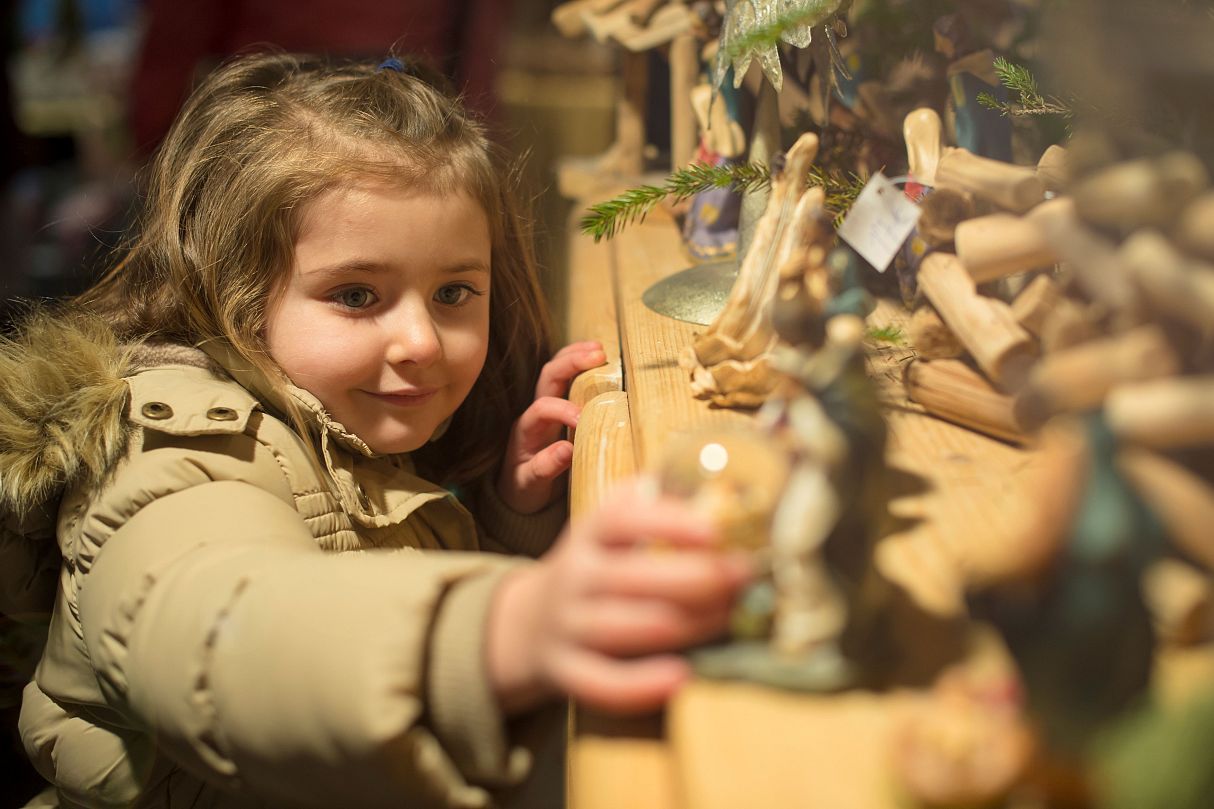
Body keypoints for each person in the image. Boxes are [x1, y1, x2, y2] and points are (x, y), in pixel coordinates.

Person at [0, 52, 751, 808]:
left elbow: (362, 573)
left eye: (454, 291)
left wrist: (508, 517)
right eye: (357, 294)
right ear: (233, 288)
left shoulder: (341, 427)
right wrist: (500, 629)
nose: (421, 341)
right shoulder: (174, 447)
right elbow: (226, 636)